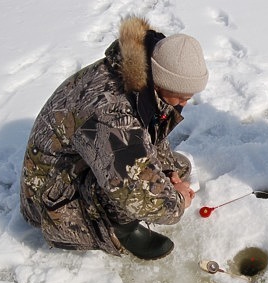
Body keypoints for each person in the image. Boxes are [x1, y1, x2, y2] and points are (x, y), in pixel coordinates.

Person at [20, 16, 209, 260]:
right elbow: (135, 189)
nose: (185, 103)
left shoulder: (139, 77)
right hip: (49, 199)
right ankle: (121, 230)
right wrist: (177, 201)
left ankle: (134, 205)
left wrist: (168, 174)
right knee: (144, 195)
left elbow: (149, 129)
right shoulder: (111, 113)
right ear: (160, 82)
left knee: (178, 167)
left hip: (81, 163)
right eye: (180, 97)